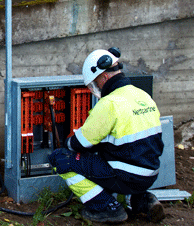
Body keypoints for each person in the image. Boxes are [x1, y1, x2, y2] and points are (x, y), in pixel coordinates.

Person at [48, 47, 165, 223]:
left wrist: (67, 144)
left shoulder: (109, 103)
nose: (97, 87)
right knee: (121, 157)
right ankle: (142, 201)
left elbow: (81, 143)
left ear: (104, 76)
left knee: (61, 159)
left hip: (126, 176)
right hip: (150, 173)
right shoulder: (142, 95)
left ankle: (106, 207)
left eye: (96, 82)